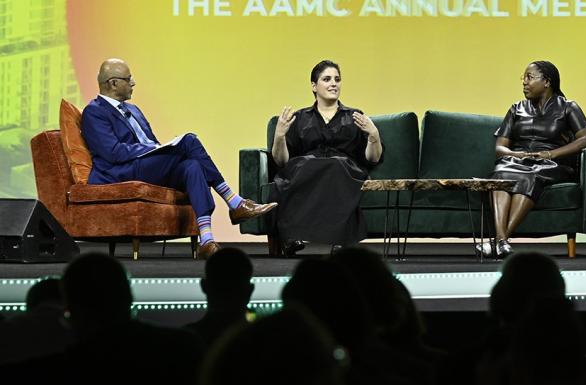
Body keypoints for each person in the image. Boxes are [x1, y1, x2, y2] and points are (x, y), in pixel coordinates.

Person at [81, 59, 276, 259]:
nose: (133, 83)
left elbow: (150, 141)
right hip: (120, 172)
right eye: (128, 79)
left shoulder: (134, 110)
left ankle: (207, 240)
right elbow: (113, 152)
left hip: (143, 165)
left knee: (192, 166)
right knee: (189, 141)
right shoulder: (94, 111)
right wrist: (154, 149)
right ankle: (234, 202)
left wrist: (158, 148)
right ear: (113, 83)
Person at [269, 60, 384, 254]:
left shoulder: (354, 115)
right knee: (303, 167)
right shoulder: (300, 117)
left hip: (344, 169)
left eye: (337, 79)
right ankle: (292, 238)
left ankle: (339, 238)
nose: (334, 84)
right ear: (314, 86)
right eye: (327, 79)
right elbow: (281, 161)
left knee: (335, 166)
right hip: (307, 167)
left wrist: (374, 135)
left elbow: (372, 158)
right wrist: (279, 136)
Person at [483, 60, 586, 258]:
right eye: (523, 78)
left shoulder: (568, 107)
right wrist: (515, 155)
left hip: (551, 163)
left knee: (531, 174)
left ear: (547, 81)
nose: (524, 83)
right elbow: (500, 148)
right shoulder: (516, 108)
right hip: (516, 161)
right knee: (501, 173)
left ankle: (498, 241)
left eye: (530, 77)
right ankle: (502, 242)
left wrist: (552, 154)